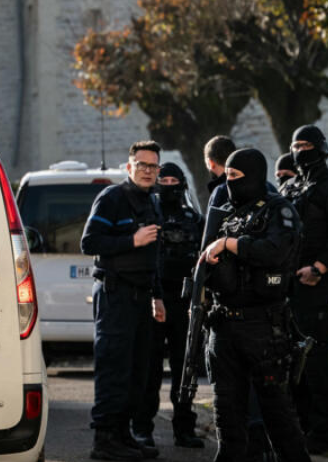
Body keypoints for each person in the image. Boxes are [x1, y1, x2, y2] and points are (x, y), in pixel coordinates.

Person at [200, 148, 311, 462]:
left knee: (278, 417)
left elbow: (275, 252)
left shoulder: (280, 210)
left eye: (236, 176)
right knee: (227, 418)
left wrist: (229, 244)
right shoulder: (226, 214)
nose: (230, 182)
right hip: (223, 325)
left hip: (263, 327)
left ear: (254, 176)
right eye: (227, 175)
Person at [82, 140, 166, 461]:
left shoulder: (152, 202)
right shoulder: (112, 198)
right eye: (142, 165)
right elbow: (89, 242)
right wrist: (132, 239)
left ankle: (122, 434)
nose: (147, 171)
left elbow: (152, 256)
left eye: (153, 166)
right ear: (129, 167)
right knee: (114, 367)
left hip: (141, 297)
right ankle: (104, 440)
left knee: (136, 370)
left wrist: (157, 296)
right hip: (115, 294)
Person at [280, 124, 328, 454]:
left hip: (315, 287)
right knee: (290, 360)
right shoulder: (291, 187)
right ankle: (297, 428)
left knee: (316, 359)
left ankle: (322, 435)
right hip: (286, 287)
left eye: (306, 145)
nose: (300, 151)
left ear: (321, 148)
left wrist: (319, 268)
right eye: (295, 145)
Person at [133, 162, 205, 450]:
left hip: (185, 302)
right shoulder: (147, 217)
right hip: (155, 300)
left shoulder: (194, 220)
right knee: (149, 369)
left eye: (174, 182)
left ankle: (184, 429)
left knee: (184, 368)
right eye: (164, 181)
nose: (169, 187)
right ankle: (142, 429)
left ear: (182, 185)